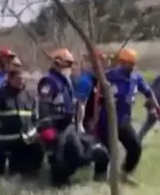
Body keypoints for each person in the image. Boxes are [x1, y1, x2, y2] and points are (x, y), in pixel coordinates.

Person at [77, 47, 160, 185]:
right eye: (130, 63)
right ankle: (99, 178)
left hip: (124, 121)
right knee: (106, 152)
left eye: (134, 63)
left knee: (135, 147)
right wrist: (94, 119)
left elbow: (148, 92)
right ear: (122, 62)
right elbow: (98, 100)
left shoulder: (136, 77)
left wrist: (157, 108)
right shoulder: (109, 77)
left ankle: (125, 173)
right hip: (107, 121)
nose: (133, 66)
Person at [37, 48, 108, 186]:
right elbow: (44, 107)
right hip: (56, 129)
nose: (70, 67)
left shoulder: (65, 81)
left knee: (79, 157)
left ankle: (98, 154)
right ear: (58, 63)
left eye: (71, 64)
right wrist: (47, 127)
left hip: (68, 127)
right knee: (59, 169)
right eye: (68, 64)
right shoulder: (49, 82)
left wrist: (78, 123)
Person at [0, 57, 44, 177]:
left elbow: (34, 117)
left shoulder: (29, 96)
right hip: (8, 139)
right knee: (16, 171)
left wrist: (35, 132)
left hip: (27, 138)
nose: (22, 83)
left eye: (24, 80)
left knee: (38, 152)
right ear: (10, 79)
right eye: (19, 80)